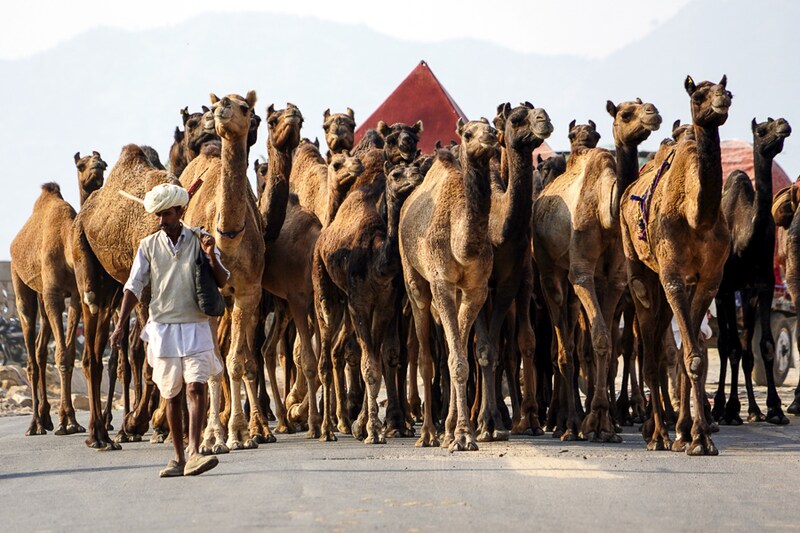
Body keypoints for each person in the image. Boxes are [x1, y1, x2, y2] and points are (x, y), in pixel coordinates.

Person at [111, 183, 228, 477]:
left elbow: (223, 280)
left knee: (196, 387)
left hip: (196, 325)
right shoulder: (148, 246)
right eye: (159, 215)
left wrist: (211, 254)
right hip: (163, 329)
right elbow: (133, 286)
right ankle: (177, 457)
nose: (162, 220)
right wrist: (121, 324)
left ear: (180, 211)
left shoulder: (200, 239)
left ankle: (194, 452)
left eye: (167, 214)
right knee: (172, 395)